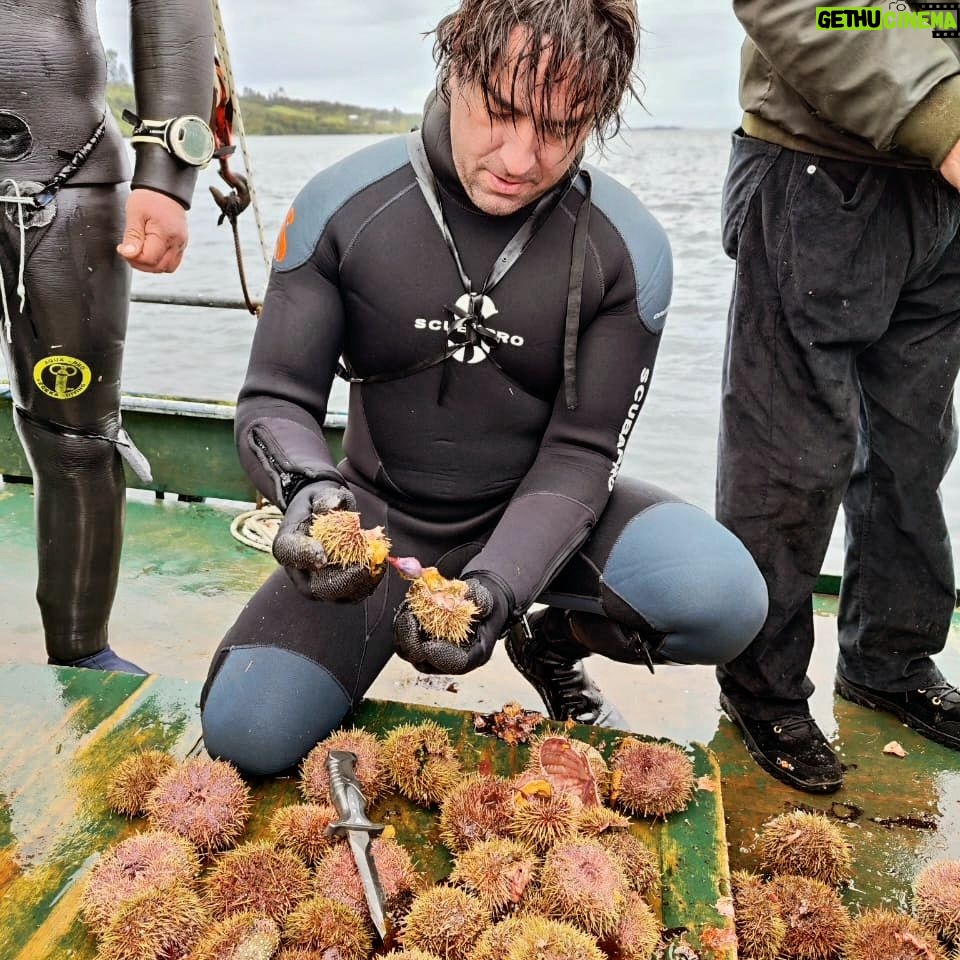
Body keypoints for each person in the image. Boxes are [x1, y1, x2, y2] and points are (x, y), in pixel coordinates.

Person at [200, 0, 769, 777]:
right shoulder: (344, 206)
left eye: (559, 129)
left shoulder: (626, 249)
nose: (520, 157)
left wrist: (498, 593)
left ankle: (549, 643)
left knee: (725, 600)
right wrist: (305, 488)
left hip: (542, 516)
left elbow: (580, 453)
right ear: (454, 68)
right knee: (246, 736)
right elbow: (274, 401)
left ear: (595, 120)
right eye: (499, 112)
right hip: (377, 533)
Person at [715, 1, 960, 794]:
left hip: (943, 199)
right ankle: (763, 687)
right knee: (791, 453)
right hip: (815, 170)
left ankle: (891, 661)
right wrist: (943, 116)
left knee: (913, 449)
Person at [0, 2, 214, 674]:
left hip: (63, 168)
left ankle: (81, 655)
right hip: (64, 173)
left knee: (77, 437)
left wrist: (168, 170)